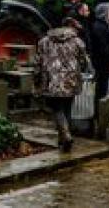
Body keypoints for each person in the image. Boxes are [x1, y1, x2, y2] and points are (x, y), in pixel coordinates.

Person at [34, 17, 89, 152]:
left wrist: (36, 80)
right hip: (71, 80)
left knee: (57, 108)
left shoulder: (44, 41)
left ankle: (64, 136)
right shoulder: (77, 42)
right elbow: (84, 62)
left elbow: (37, 63)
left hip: (52, 80)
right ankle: (64, 137)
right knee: (67, 108)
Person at [90, 3, 109, 113]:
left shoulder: (101, 25)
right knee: (101, 89)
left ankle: (99, 111)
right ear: (104, 13)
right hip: (102, 64)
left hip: (100, 62)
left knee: (101, 88)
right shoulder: (100, 27)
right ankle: (99, 113)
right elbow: (104, 48)